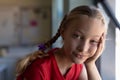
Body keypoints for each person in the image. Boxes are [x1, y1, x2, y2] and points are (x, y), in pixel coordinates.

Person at [16, 5, 107, 80]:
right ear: (63, 32)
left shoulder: (78, 67)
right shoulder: (39, 68)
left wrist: (90, 64)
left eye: (93, 41)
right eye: (77, 36)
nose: (83, 48)